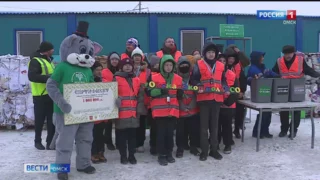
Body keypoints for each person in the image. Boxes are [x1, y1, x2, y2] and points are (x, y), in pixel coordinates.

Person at [272, 45, 320, 138]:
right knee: (283, 110)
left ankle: (293, 130)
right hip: (284, 87)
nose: (288, 55)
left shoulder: (300, 60)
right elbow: (274, 72)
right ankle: (284, 130)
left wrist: (317, 74)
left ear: (293, 53)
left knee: (296, 110)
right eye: (286, 53)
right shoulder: (279, 61)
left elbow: (308, 70)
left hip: (297, 87)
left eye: (289, 53)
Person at [190, 42, 227, 161]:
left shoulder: (220, 65)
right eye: (209, 52)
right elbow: (193, 80)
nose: (211, 54)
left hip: (217, 99)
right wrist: (198, 84)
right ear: (204, 53)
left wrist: (226, 89)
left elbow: (224, 81)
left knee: (214, 127)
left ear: (216, 54)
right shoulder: (199, 64)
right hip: (204, 99)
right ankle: (204, 151)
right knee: (204, 127)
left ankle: (214, 150)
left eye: (213, 52)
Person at [147, 54, 183, 166]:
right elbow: (149, 91)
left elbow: (180, 93)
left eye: (170, 65)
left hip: (172, 111)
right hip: (159, 112)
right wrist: (160, 91)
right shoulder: (154, 77)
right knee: (161, 134)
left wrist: (181, 93)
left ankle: (169, 153)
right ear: (162, 66)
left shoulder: (178, 78)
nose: (168, 67)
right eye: (166, 65)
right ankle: (161, 155)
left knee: (170, 134)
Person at [28, 41, 55, 150]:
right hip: (40, 95)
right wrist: (49, 78)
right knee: (39, 120)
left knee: (51, 120)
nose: (53, 51)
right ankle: (37, 141)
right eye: (52, 49)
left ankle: (50, 142)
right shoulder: (35, 61)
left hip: (50, 95)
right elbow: (32, 76)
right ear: (47, 50)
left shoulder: (49, 61)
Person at [114, 58, 141, 165]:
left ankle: (131, 155)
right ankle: (123, 156)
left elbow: (140, 96)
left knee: (132, 137)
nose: (128, 67)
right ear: (121, 67)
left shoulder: (137, 79)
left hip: (133, 114)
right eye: (125, 65)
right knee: (121, 137)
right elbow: (111, 94)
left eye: (130, 65)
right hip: (121, 114)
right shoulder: (116, 78)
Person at [247, 51, 278, 138]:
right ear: (257, 58)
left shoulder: (262, 67)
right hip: (259, 94)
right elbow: (257, 78)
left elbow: (271, 74)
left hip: (266, 92)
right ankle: (257, 132)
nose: (263, 58)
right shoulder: (253, 68)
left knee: (268, 112)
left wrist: (277, 76)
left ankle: (265, 131)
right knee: (263, 113)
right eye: (261, 57)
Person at [176, 56, 200, 158]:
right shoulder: (176, 78)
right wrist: (181, 106)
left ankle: (193, 146)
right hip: (180, 110)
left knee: (193, 130)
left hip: (193, 109)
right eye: (182, 65)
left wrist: (191, 105)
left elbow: (196, 93)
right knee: (180, 131)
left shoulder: (193, 78)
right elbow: (175, 94)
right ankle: (180, 148)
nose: (184, 66)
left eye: (186, 65)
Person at [224, 45, 249, 139]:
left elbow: (243, 79)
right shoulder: (223, 66)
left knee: (239, 112)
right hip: (227, 93)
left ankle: (237, 129)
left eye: (233, 58)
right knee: (228, 115)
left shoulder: (239, 65)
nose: (231, 60)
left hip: (238, 92)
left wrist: (242, 91)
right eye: (229, 58)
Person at [217, 53, 239, 154]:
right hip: (216, 104)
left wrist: (227, 102)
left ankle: (227, 144)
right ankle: (215, 143)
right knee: (215, 125)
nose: (222, 63)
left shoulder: (232, 74)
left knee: (227, 126)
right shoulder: (214, 74)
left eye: (224, 61)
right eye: (220, 61)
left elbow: (236, 90)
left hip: (229, 105)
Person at [131, 47, 151, 153]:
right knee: (133, 123)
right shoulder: (129, 68)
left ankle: (140, 143)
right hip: (132, 99)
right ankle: (132, 143)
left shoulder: (147, 71)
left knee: (142, 123)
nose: (137, 58)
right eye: (135, 56)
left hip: (143, 100)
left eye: (139, 56)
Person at [101, 52, 120, 151]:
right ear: (109, 60)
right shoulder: (105, 71)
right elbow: (102, 82)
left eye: (116, 59)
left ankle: (118, 141)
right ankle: (108, 141)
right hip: (107, 99)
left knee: (118, 122)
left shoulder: (121, 70)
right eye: (113, 59)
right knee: (107, 122)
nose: (114, 61)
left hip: (119, 99)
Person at [90, 61, 108, 163]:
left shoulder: (104, 81)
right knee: (93, 134)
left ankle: (101, 152)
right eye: (97, 70)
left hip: (102, 113)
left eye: (101, 70)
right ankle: (93, 153)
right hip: (92, 113)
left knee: (101, 134)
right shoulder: (89, 82)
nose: (99, 72)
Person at [146, 55, 161, 156]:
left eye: (158, 63)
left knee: (159, 128)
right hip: (151, 106)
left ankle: (158, 145)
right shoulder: (150, 75)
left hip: (161, 105)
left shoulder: (162, 74)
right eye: (155, 64)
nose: (157, 65)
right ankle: (153, 146)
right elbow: (148, 91)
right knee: (154, 128)